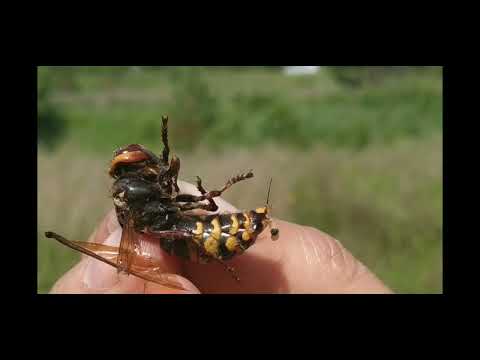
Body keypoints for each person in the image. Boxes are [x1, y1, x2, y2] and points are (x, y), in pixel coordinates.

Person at [50, 181, 393, 294]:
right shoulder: (139, 224)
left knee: (198, 207)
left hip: (193, 234)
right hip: (192, 237)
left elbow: (198, 202)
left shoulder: (153, 201)